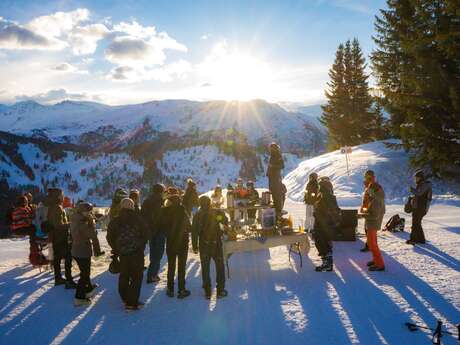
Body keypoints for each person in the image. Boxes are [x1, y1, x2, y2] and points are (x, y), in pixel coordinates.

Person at [107, 198, 148, 310]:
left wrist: (117, 248)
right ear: (132, 206)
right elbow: (146, 234)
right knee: (136, 276)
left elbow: (109, 237)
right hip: (137, 253)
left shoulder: (115, 221)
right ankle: (132, 302)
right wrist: (140, 246)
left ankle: (125, 298)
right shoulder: (138, 219)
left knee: (124, 275)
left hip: (122, 254)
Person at [192, 196, 228, 299]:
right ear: (209, 202)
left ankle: (207, 291)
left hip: (204, 244)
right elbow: (224, 222)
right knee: (220, 266)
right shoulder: (217, 212)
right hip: (216, 243)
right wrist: (223, 231)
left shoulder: (197, 215)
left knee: (205, 268)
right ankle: (220, 290)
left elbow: (194, 232)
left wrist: (195, 246)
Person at [70, 202, 104, 306]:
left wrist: (89, 220)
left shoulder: (76, 218)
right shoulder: (81, 222)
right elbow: (92, 234)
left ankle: (88, 288)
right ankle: (79, 298)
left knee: (85, 271)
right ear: (83, 211)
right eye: (88, 211)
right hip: (82, 251)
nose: (90, 213)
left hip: (78, 250)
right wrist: (91, 222)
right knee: (84, 274)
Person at [160, 193, 191, 299]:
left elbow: (162, 228)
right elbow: (189, 227)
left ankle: (170, 289)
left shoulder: (165, 212)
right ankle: (181, 290)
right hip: (182, 243)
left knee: (171, 266)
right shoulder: (183, 211)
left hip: (171, 243)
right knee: (181, 267)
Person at [46, 188, 76, 288]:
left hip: (55, 237)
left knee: (57, 258)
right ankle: (69, 280)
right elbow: (58, 225)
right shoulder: (57, 208)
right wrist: (70, 224)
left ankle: (58, 278)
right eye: (62, 195)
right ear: (58, 196)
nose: (63, 197)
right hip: (60, 237)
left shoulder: (52, 206)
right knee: (68, 258)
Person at [360, 170, 386, 271]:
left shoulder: (375, 189)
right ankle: (376, 260)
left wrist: (364, 215)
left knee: (371, 243)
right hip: (371, 216)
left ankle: (380, 264)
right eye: (366, 178)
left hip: (374, 218)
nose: (366, 180)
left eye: (368, 178)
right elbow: (367, 200)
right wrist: (363, 210)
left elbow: (375, 209)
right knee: (372, 241)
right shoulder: (371, 187)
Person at [313, 177, 340, 272]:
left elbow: (324, 212)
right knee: (323, 244)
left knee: (322, 244)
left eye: (320, 186)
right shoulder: (328, 197)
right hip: (325, 226)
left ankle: (327, 264)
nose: (319, 188)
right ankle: (327, 263)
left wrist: (316, 213)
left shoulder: (326, 197)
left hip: (323, 226)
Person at [141, 184, 166, 283]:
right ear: (161, 191)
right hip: (159, 231)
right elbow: (164, 217)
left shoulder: (146, 201)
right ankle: (152, 275)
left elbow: (142, 216)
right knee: (158, 254)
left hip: (150, 231)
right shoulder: (162, 201)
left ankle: (151, 274)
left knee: (153, 252)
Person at [407, 170, 432, 245]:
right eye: (415, 178)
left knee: (415, 224)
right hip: (418, 207)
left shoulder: (425, 185)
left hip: (421, 208)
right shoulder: (421, 184)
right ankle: (421, 239)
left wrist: (412, 190)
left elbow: (419, 193)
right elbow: (419, 195)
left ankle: (413, 240)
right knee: (417, 223)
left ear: (421, 178)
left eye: (416, 177)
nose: (415, 179)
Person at [266, 142, 285, 221]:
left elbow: (282, 166)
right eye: (270, 148)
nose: (271, 149)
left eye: (272, 148)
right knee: (274, 195)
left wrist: (273, 167)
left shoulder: (278, 155)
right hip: (272, 178)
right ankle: (276, 215)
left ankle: (278, 213)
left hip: (276, 179)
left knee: (277, 196)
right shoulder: (272, 156)